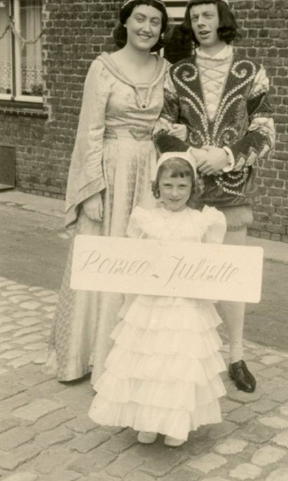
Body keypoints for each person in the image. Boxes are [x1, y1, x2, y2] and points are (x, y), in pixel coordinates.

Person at [45, 0, 185, 384]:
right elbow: (89, 130)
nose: (146, 27)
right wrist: (91, 189)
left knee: (140, 259)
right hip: (108, 170)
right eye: (140, 18)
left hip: (149, 173)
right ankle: (83, 358)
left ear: (162, 31)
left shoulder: (167, 70)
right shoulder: (103, 68)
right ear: (125, 22)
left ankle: (131, 361)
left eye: (155, 22)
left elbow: (173, 125)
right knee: (99, 260)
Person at [154, 0, 275, 393]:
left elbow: (265, 128)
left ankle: (236, 356)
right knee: (189, 277)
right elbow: (163, 125)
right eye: (194, 16)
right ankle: (191, 357)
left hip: (233, 189)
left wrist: (225, 156)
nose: (201, 22)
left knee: (231, 277)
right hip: (187, 193)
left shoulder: (251, 71)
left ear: (222, 17)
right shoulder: (178, 73)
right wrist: (188, 156)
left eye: (208, 14)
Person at [88, 152, 227, 447]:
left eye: (182, 187)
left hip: (185, 306)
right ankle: (148, 419)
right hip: (151, 303)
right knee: (148, 359)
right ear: (157, 187)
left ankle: (175, 422)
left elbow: (213, 262)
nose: (174, 194)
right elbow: (133, 259)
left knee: (178, 363)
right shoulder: (146, 220)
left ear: (193, 188)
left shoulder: (203, 222)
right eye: (167, 186)